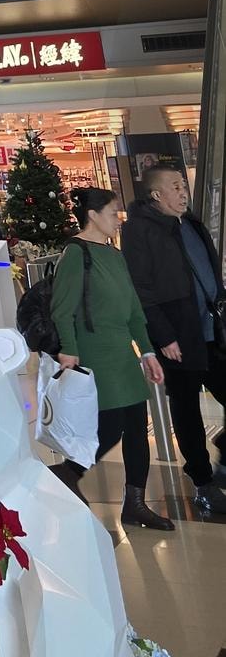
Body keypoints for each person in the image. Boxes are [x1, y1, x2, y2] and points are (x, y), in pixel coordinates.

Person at [51, 188, 173, 531]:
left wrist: (147, 350)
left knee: (136, 425)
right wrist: (69, 349)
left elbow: (134, 310)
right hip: (94, 354)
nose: (118, 217)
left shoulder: (114, 255)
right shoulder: (76, 253)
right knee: (109, 427)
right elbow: (63, 309)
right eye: (112, 211)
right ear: (92, 215)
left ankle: (135, 503)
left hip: (121, 354)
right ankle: (65, 474)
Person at [120, 163, 226, 518]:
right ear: (156, 195)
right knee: (187, 409)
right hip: (178, 336)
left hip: (212, 329)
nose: (183, 192)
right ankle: (203, 482)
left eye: (183, 186)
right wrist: (162, 336)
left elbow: (210, 273)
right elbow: (142, 289)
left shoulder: (192, 224)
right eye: (176, 186)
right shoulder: (139, 231)